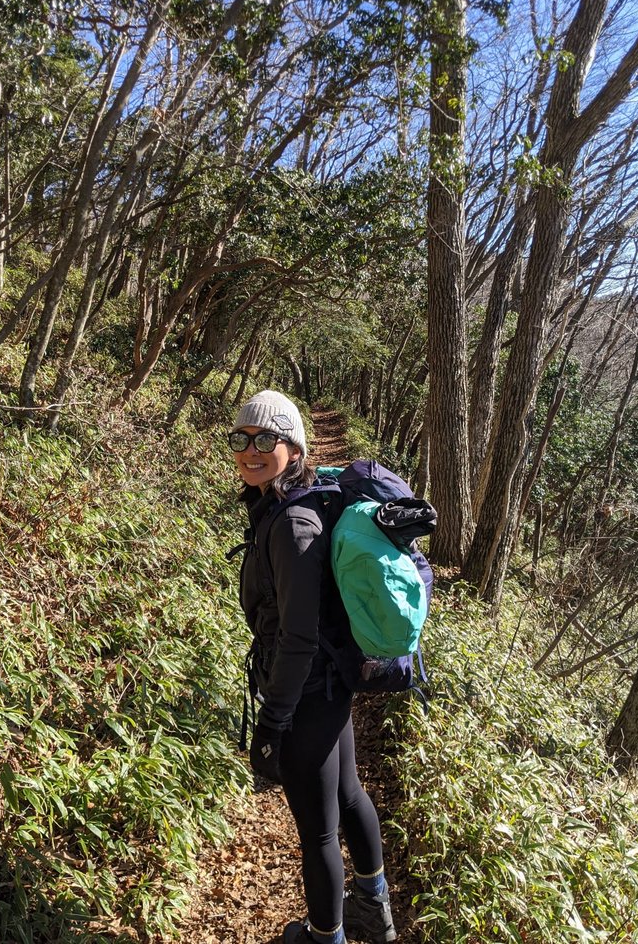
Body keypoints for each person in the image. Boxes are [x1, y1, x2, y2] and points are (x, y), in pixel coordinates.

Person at [227, 390, 397, 944]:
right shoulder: (293, 503)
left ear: (293, 446)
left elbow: (297, 637)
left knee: (319, 833)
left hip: (307, 692)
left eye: (265, 439)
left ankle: (327, 936)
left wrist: (274, 720)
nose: (251, 450)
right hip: (328, 683)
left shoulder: (292, 524)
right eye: (241, 439)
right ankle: (373, 907)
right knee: (348, 795)